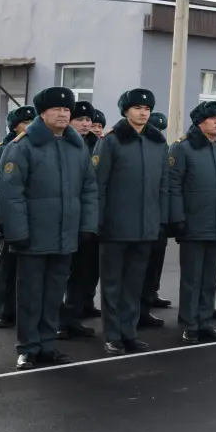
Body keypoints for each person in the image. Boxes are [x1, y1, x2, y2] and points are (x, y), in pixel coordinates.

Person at [0, 87, 97, 369]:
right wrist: (18, 233)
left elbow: (89, 189)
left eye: (67, 110)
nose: (63, 114)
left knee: (54, 294)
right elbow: (11, 193)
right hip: (33, 236)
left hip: (65, 235)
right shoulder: (22, 146)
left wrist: (87, 226)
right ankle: (28, 348)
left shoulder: (76, 146)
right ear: (43, 114)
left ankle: (47, 345)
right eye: (57, 110)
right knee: (30, 295)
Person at [94, 88, 168, 355]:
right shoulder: (111, 141)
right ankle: (113, 335)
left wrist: (161, 220)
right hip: (115, 226)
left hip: (146, 226)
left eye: (147, 109)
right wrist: (97, 222)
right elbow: (98, 185)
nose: (143, 112)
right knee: (113, 285)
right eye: (137, 108)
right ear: (126, 111)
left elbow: (164, 186)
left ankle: (129, 332)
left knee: (135, 284)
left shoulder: (157, 142)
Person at [169, 101, 216, 344]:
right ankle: (190, 324)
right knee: (192, 277)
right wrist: (177, 217)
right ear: (200, 121)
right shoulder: (183, 148)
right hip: (193, 222)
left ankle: (205, 322)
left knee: (210, 276)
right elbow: (173, 186)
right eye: (213, 118)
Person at [0, 105, 36, 329]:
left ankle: (23, 309)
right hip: (10, 216)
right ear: (15, 127)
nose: (30, 126)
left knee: (30, 268)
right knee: (7, 265)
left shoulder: (37, 146)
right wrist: (2, 219)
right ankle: (2, 310)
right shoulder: (3, 148)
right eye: (26, 123)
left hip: (33, 216)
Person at [58, 100, 102, 339]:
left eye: (89, 120)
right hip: (64, 218)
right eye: (80, 120)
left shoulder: (98, 145)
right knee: (59, 274)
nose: (85, 124)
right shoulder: (61, 143)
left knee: (83, 273)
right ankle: (56, 321)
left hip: (87, 219)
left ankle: (73, 318)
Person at [140, 111, 171, 328]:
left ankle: (151, 294)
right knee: (138, 267)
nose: (158, 132)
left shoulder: (161, 147)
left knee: (155, 261)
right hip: (136, 218)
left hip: (157, 216)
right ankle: (138, 309)